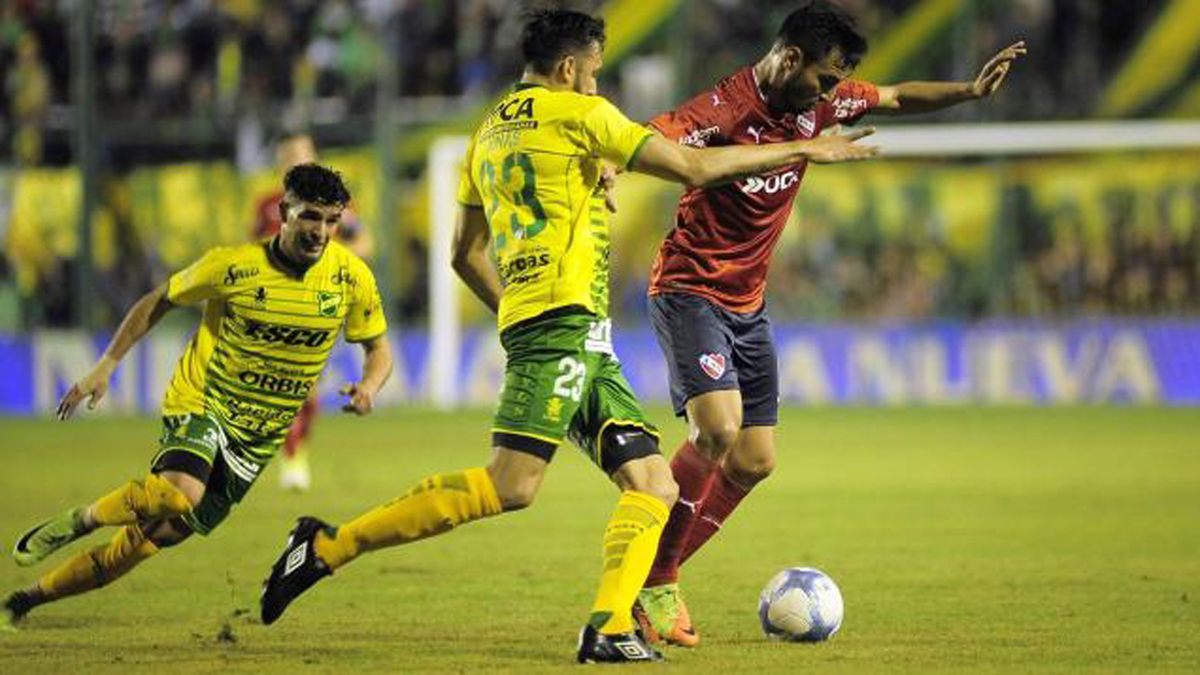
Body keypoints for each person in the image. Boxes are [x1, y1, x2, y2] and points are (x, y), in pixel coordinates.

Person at [257, 8, 877, 664]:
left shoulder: (486, 135)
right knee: (511, 485)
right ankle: (327, 545)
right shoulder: (584, 115)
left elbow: (464, 254)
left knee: (653, 483)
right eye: (594, 73)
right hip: (563, 329)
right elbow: (695, 170)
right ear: (568, 68)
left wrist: (512, 310)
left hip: (570, 330)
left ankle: (610, 623)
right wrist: (807, 148)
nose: (595, 84)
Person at [632, 0, 1025, 647]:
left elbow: (896, 96)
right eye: (823, 79)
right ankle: (656, 582)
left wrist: (968, 91)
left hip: (748, 305)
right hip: (688, 289)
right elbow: (653, 141)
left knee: (755, 460)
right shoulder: (725, 109)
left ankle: (648, 575)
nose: (831, 94)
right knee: (718, 428)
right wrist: (614, 166)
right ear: (789, 58)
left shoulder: (823, 106)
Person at [3, 164, 392, 629]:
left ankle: (24, 601)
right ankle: (80, 519)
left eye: (333, 221)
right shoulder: (232, 265)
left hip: (257, 439)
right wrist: (106, 364)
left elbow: (379, 348)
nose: (322, 231)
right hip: (205, 401)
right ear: (285, 210)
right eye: (312, 217)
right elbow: (159, 299)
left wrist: (369, 386)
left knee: (143, 545)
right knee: (179, 493)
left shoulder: (350, 277)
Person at [252, 133, 377, 491]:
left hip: (320, 304)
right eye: (289, 156)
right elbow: (252, 248)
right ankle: (285, 454)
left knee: (307, 388)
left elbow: (365, 243)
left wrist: (331, 252)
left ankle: (293, 454)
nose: (296, 161)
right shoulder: (267, 205)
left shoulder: (335, 205)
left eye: (302, 155)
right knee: (282, 385)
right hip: (274, 304)